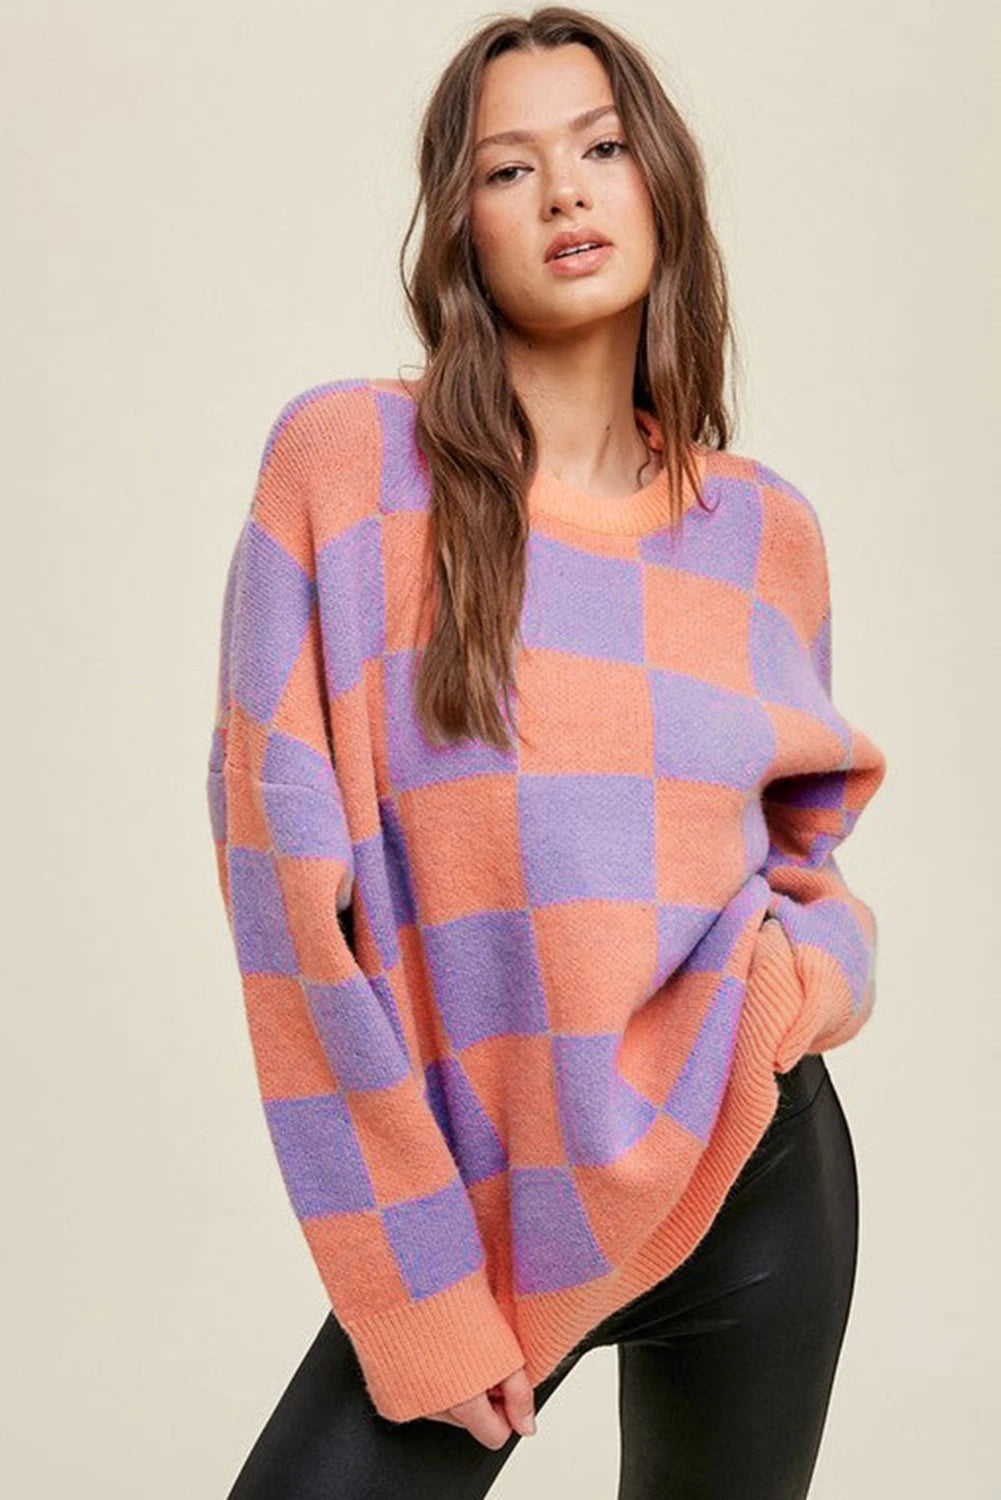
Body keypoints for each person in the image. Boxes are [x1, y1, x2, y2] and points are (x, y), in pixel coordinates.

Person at [205, 8, 888, 1496]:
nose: (566, 190)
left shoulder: (761, 532)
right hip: (481, 1211)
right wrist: (415, 1288)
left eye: (601, 148)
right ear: (462, 229)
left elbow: (801, 848)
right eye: (509, 169)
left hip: (754, 1176)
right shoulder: (349, 472)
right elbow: (284, 899)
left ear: (661, 183)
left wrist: (811, 976)